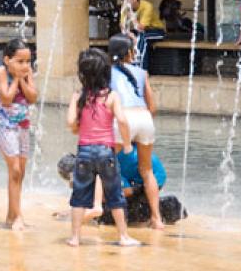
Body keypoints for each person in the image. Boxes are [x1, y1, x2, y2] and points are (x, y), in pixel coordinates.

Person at [66, 48, 139, 247]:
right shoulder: (111, 96)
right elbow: (122, 121)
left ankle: (75, 237)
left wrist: (77, 130)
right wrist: (126, 145)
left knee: (79, 195)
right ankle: (123, 236)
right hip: (106, 151)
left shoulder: (78, 96)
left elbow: (71, 121)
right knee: (115, 193)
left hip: (84, 151)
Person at [108, 33, 164, 229]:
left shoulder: (106, 72)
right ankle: (156, 219)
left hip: (124, 118)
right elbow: (153, 108)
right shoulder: (142, 73)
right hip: (144, 118)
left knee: (102, 164)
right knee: (147, 170)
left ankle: (95, 206)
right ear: (130, 52)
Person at [56, 150, 187, 225]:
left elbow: (126, 191)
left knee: (107, 215)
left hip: (152, 178)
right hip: (142, 176)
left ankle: (169, 207)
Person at [0, 38, 38, 231]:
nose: (25, 66)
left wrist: (24, 78)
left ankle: (12, 215)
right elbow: (7, 98)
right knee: (15, 170)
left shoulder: (27, 73)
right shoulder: (0, 73)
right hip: (6, 127)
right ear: (7, 60)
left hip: (23, 127)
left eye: (28, 62)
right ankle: (17, 216)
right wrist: (18, 79)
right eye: (20, 61)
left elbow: (33, 97)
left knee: (20, 173)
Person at [120, 0, 165, 70]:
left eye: (126, 0)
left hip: (157, 31)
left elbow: (141, 28)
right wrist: (128, 33)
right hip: (140, 31)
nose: (124, 2)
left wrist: (132, 17)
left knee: (142, 37)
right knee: (124, 37)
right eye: (123, 0)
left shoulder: (147, 6)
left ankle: (141, 69)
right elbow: (122, 26)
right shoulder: (124, 7)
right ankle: (126, 66)